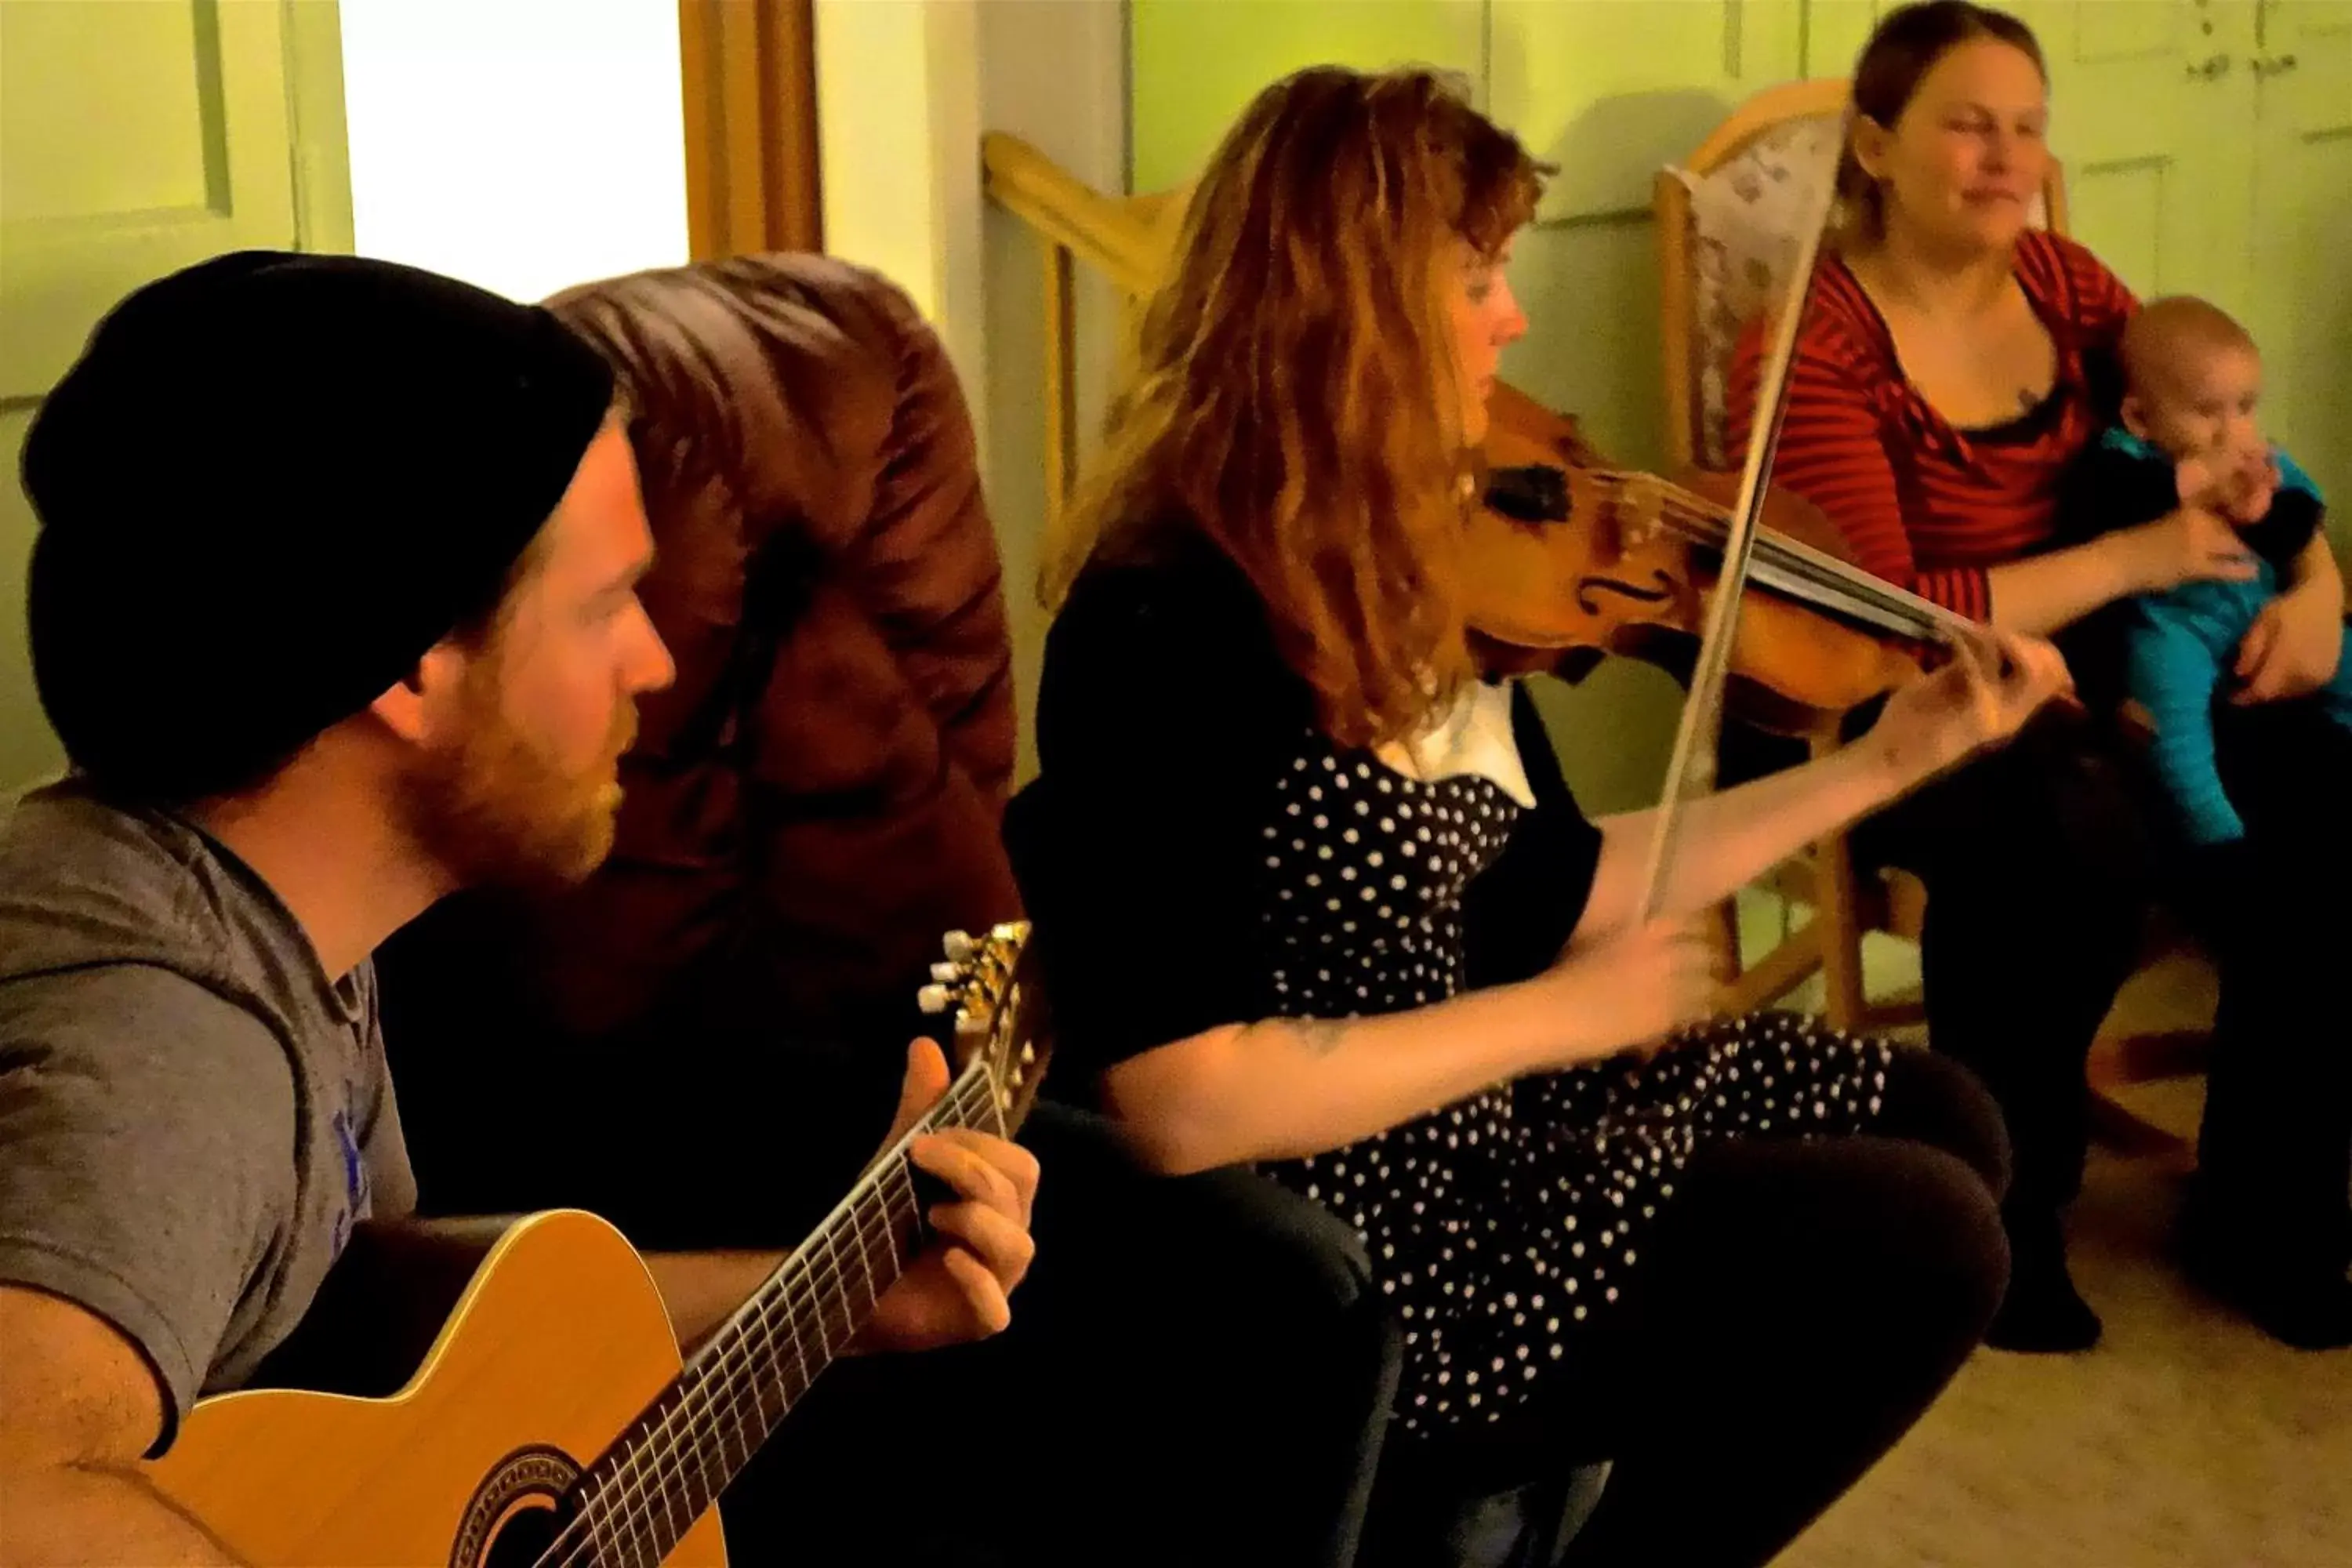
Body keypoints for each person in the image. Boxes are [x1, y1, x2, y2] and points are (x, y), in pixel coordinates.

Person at [1004, 65, 2073, 1568]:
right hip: (1384, 1223)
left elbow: (1562, 883)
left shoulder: (1416, 560)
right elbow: (1184, 1102)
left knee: (1948, 1116)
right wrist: (1561, 1023)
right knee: (1920, 1245)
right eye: (1480, 277)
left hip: (1498, 1117)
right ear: (1354, 303)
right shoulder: (1165, 620)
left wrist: (1886, 761)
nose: (1514, 320)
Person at [0, 252, 1038, 1565]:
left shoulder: (270, 918)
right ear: (409, 673)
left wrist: (841, 1297)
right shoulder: (173, 1049)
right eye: (604, 604)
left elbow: (400, 1363)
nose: (654, 660)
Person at [1730, 0, 2352, 1354]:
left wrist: (2316, 588)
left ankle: (2268, 1205)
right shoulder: (1818, 346)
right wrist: (2132, 561)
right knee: (2065, 846)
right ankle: (2006, 1210)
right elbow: (1885, 619)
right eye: (1969, 123)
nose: (2008, 156)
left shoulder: (2072, 290)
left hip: (2118, 667)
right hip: (1901, 705)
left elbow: (2233, 452)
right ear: (1879, 148)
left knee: (2329, 803)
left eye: (2028, 126)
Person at [2056, 296, 2352, 851]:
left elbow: (2302, 522)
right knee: (2169, 703)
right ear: (2140, 417)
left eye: (2245, 407)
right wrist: (2191, 481)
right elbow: (2096, 509)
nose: (2233, 431)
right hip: (2175, 622)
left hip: (2257, 612)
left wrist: (2263, 510)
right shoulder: (2122, 461)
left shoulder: (2257, 460)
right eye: (2208, 412)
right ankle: (2212, 826)